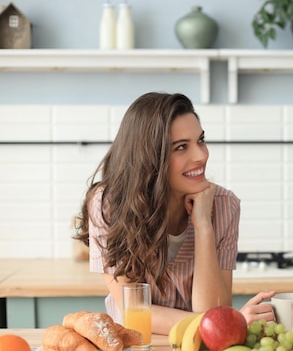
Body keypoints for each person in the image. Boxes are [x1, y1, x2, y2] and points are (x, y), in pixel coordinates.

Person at [74, 92, 275, 335]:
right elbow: (134, 311)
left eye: (200, 140)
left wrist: (203, 226)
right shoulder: (108, 205)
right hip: (136, 347)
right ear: (149, 158)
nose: (201, 155)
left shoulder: (224, 205)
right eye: (181, 147)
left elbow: (213, 309)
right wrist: (228, 322)